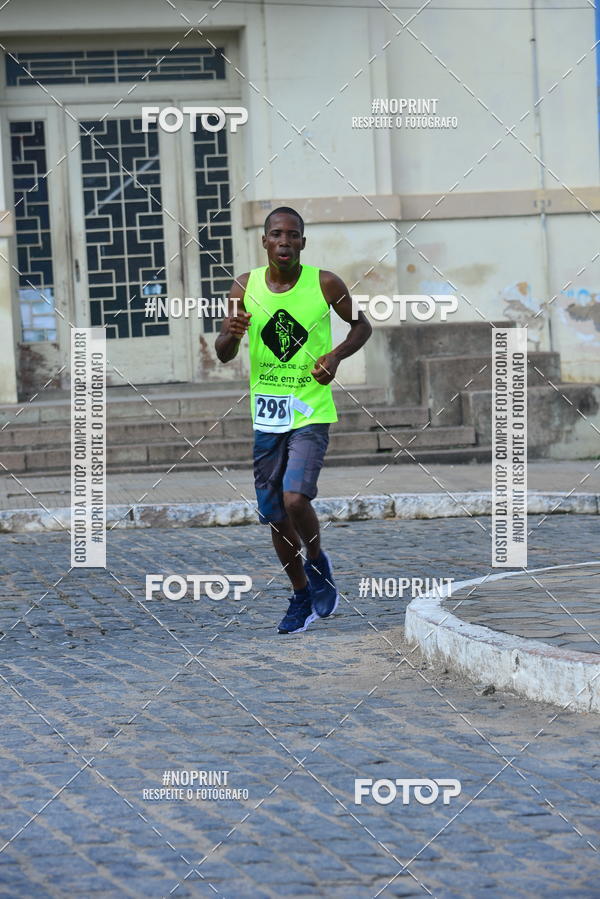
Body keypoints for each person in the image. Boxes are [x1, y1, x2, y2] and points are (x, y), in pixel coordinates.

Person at [215, 207, 372, 633]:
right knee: (274, 515)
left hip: (309, 410)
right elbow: (224, 352)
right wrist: (230, 333)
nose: (284, 242)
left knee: (295, 500)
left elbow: (362, 327)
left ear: (303, 242)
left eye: (293, 235)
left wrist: (335, 356)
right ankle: (301, 593)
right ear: (264, 241)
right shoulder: (244, 287)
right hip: (267, 417)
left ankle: (318, 563)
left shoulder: (325, 283)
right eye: (276, 235)